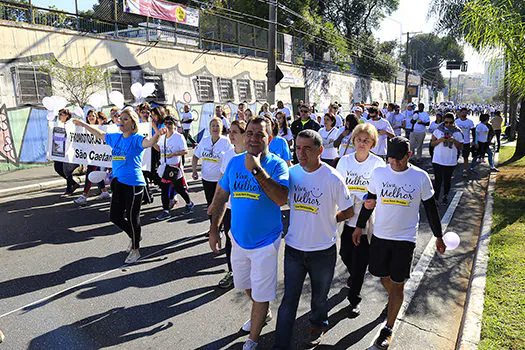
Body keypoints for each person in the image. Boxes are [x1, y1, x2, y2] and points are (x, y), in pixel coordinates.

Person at [355, 136, 446, 349]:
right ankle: (394, 299)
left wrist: (438, 235)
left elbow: (431, 209)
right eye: (391, 159)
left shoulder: (420, 177)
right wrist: (359, 226)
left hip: (405, 240)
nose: (395, 164)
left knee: (398, 284)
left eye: (399, 160)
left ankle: (388, 327)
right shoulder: (379, 173)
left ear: (409, 156)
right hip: (380, 237)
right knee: (381, 276)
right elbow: (370, 201)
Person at [209, 115, 289, 350]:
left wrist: (256, 170)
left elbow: (281, 198)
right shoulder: (234, 163)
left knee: (261, 294)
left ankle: (253, 339)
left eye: (260, 134)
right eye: (250, 133)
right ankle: (261, 311)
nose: (253, 138)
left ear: (269, 138)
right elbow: (221, 197)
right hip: (239, 239)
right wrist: (214, 229)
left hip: (266, 242)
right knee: (245, 284)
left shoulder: (277, 165)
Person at [274, 130, 354, 349]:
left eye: (307, 148)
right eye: (298, 148)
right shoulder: (291, 174)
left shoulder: (333, 177)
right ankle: (280, 343)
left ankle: (318, 323)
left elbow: (348, 210)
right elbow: (278, 198)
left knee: (320, 296)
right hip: (293, 249)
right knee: (289, 299)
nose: (301, 153)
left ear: (320, 150)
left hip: (323, 251)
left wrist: (330, 220)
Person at [73, 107, 166, 264]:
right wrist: (84, 124)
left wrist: (157, 134)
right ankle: (134, 235)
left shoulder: (137, 139)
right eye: (120, 118)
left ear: (132, 123)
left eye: (125, 119)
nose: (121, 121)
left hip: (134, 184)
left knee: (132, 217)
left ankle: (135, 250)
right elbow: (99, 134)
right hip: (118, 183)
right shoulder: (116, 137)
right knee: (114, 216)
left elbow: (150, 143)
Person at [335, 123, 384, 315]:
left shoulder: (378, 164)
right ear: (353, 140)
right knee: (345, 254)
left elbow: (380, 192)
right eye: (359, 139)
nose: (362, 143)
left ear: (373, 143)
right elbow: (337, 187)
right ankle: (354, 277)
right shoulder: (344, 162)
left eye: (366, 140)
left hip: (366, 220)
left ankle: (354, 298)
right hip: (346, 217)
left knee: (360, 261)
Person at [213, 120, 247, 289]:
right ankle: (232, 272)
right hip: (230, 206)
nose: (230, 135)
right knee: (229, 239)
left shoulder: (252, 154)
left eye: (235, 132)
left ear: (244, 134)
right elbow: (221, 181)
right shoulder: (228, 154)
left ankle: (249, 272)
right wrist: (214, 202)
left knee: (246, 240)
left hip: (247, 208)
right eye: (229, 131)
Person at [192, 117, 233, 227]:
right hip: (206, 179)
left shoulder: (226, 142)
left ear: (222, 128)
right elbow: (195, 156)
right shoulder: (205, 141)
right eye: (213, 126)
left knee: (220, 204)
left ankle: (222, 226)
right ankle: (213, 227)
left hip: (221, 180)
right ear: (209, 128)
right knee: (210, 204)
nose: (215, 128)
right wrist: (194, 171)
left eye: (217, 125)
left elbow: (232, 160)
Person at [154, 115, 195, 220]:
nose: (168, 125)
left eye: (170, 123)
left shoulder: (178, 137)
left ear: (174, 125)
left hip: (174, 167)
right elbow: (158, 148)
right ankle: (166, 210)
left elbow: (185, 151)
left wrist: (174, 154)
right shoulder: (162, 137)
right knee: (165, 188)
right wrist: (152, 141)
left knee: (179, 188)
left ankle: (189, 203)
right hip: (164, 166)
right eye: (166, 123)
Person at [74, 110, 111, 205]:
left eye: (93, 115)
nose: (91, 117)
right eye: (89, 115)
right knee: (96, 173)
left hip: (99, 155)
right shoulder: (84, 129)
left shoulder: (101, 128)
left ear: (97, 117)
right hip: (91, 156)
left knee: (90, 173)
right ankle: (104, 192)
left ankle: (84, 195)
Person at [430, 113, 463, 205]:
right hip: (438, 159)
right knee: (438, 180)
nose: (448, 124)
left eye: (450, 123)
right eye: (446, 122)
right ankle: (436, 198)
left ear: (453, 122)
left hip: (450, 160)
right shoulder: (438, 130)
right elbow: (432, 144)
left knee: (447, 180)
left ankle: (445, 196)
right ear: (443, 121)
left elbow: (460, 146)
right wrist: (439, 140)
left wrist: (454, 141)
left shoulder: (457, 132)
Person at [54, 109, 80, 197]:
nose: (60, 115)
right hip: (59, 150)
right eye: (59, 114)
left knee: (67, 170)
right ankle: (74, 184)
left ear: (67, 116)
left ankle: (69, 190)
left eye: (62, 114)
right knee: (57, 167)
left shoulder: (70, 125)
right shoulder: (57, 124)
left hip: (69, 151)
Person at [454, 107, 475, 178]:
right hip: (457, 142)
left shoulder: (470, 122)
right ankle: (452, 168)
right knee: (455, 155)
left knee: (465, 156)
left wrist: (474, 141)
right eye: (463, 112)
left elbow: (473, 131)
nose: (464, 114)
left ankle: (465, 169)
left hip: (466, 142)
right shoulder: (456, 122)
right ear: (460, 113)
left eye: (465, 112)